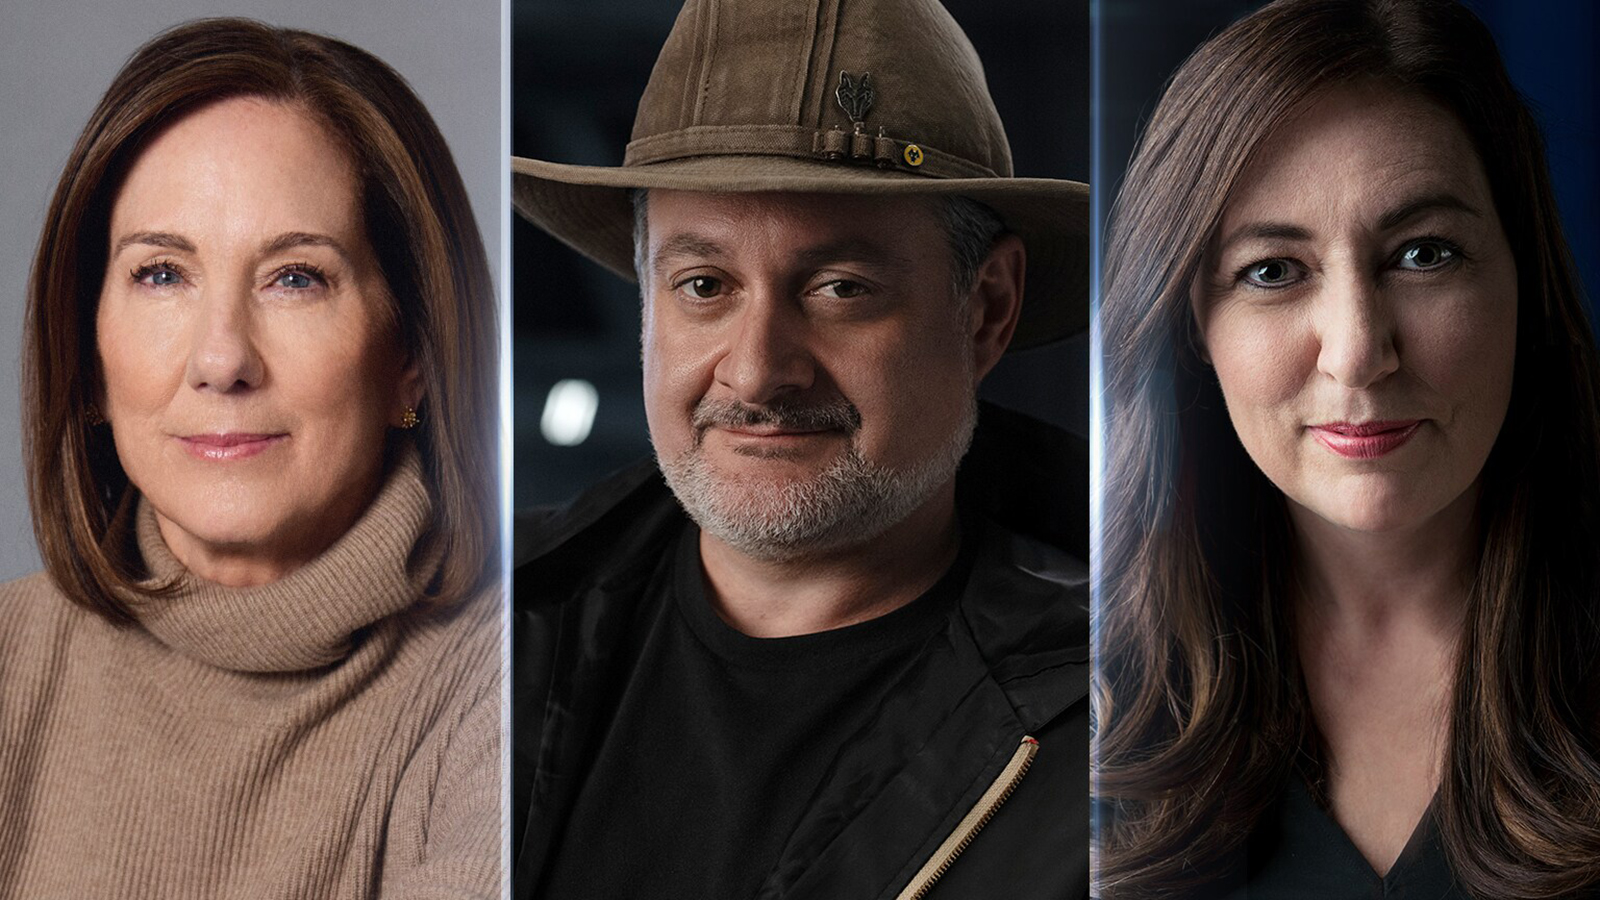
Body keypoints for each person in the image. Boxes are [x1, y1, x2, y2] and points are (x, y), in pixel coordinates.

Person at [509, 0, 1090, 896]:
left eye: (840, 288)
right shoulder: (472, 628)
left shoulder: (1140, 723)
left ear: (985, 310)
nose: (757, 372)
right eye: (704, 285)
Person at [1094, 0, 1600, 897]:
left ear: (1525, 280)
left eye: (1424, 253)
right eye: (1272, 271)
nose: (1358, 349)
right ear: (1191, 329)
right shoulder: (1076, 706)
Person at [1, 19, 501, 898]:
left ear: (410, 355)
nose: (221, 358)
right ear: (87, 343)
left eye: (295, 277)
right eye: (162, 274)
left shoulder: (512, 688)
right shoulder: (11, 660)